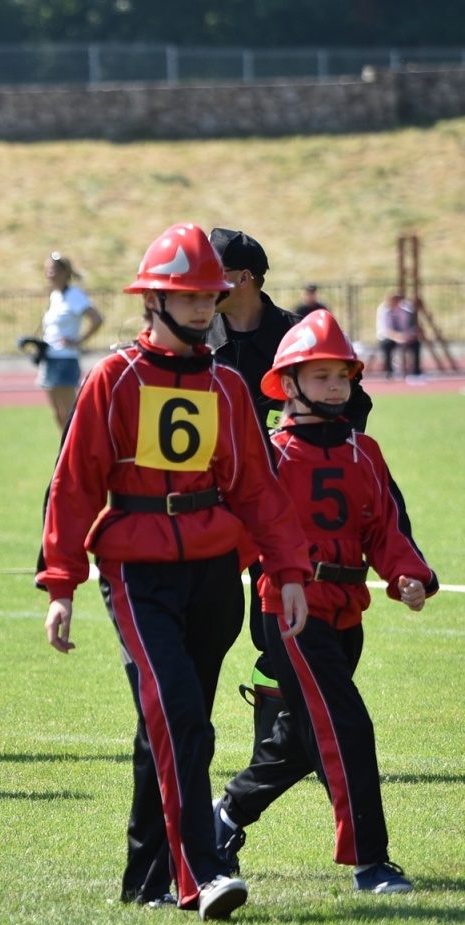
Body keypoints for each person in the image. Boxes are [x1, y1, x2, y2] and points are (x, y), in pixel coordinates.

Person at [39, 223, 311, 920]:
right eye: (186, 295)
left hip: (216, 570)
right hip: (136, 572)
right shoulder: (115, 378)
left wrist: (286, 571)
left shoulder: (225, 384)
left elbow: (258, 489)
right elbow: (74, 484)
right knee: (184, 717)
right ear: (153, 300)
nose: (200, 307)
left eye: (207, 295)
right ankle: (203, 873)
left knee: (163, 722)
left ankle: (144, 879)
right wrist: (61, 584)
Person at [215, 310, 437, 895]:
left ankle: (223, 818)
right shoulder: (271, 455)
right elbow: (238, 534)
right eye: (320, 377)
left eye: (343, 376)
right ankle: (371, 863)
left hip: (347, 610)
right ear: (288, 384)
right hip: (292, 611)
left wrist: (408, 575)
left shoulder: (366, 452)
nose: (336, 387)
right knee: (346, 726)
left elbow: (386, 528)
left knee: (300, 740)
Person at [205, 227, 372, 762]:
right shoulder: (193, 334)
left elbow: (355, 404)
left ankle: (277, 747)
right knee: (203, 623)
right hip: (210, 507)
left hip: (283, 509)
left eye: (214, 271)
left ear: (244, 277)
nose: (201, 283)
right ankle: (187, 735)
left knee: (275, 629)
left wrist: (300, 437)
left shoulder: (296, 335)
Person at [36, 252, 103, 433]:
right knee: (57, 413)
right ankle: (65, 451)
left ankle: (79, 452)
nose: (49, 274)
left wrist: (78, 341)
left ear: (65, 273)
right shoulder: (54, 296)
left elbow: (97, 319)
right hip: (49, 358)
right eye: (47, 270)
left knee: (70, 413)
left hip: (65, 359)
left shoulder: (75, 295)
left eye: (52, 270)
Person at [375, 292, 421, 379]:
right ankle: (389, 371)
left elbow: (411, 327)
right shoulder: (383, 310)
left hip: (404, 336)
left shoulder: (407, 310)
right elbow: (384, 329)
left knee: (416, 344)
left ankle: (416, 370)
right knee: (386, 345)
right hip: (389, 337)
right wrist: (396, 337)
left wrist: (407, 336)